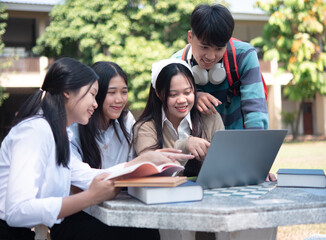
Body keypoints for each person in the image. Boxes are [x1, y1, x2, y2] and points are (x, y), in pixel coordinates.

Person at [0, 57, 193, 240]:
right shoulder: (36, 131)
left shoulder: (58, 132)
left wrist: (142, 162)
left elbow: (86, 176)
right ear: (67, 92)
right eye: (93, 95)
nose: (95, 103)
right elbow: (17, 212)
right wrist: (90, 197)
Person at [51, 61, 160, 240]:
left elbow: (135, 170)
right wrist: (133, 166)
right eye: (112, 93)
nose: (120, 99)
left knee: (147, 228)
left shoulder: (126, 120)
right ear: (96, 94)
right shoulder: (72, 127)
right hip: (78, 213)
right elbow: (79, 180)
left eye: (124, 92)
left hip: (117, 208)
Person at [172, 4, 275, 181]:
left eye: (219, 48)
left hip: (239, 149)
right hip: (196, 157)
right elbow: (166, 114)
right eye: (204, 47)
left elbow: (255, 113)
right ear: (190, 37)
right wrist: (192, 95)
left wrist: (257, 163)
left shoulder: (243, 56)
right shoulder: (176, 64)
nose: (211, 56)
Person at [133, 58, 224, 176]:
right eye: (173, 94)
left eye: (187, 92)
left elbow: (222, 165)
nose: (181, 100)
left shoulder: (210, 117)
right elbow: (152, 173)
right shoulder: (145, 128)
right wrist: (184, 146)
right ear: (158, 93)